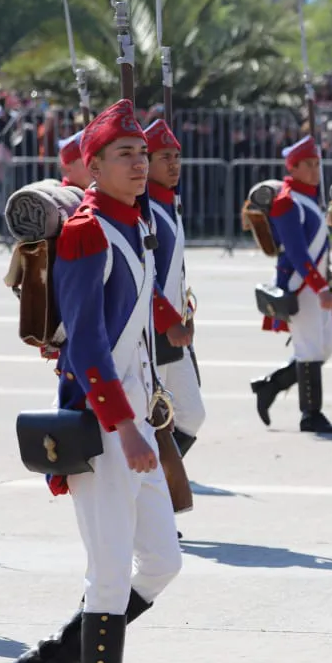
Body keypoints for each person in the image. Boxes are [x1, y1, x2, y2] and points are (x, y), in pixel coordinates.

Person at [7, 99, 189, 663]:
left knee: (162, 562)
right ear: (91, 165)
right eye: (125, 155)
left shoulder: (133, 221)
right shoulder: (86, 230)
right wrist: (125, 427)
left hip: (136, 414)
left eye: (143, 154)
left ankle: (52, 661)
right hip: (102, 419)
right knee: (109, 573)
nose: (140, 164)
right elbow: (83, 344)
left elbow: (132, 312)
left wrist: (168, 318)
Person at [250, 135, 332, 434]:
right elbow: (297, 252)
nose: (316, 170)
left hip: (315, 284)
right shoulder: (287, 202)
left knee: (324, 347)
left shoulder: (308, 198)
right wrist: (320, 287)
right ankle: (311, 415)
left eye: (317, 163)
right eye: (309, 165)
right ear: (293, 167)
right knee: (310, 350)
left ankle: (271, 386)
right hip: (301, 286)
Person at [145, 119, 204, 457]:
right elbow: (145, 275)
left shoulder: (169, 202)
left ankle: (161, 481)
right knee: (152, 416)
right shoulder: (146, 208)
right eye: (164, 157)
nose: (173, 164)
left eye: (176, 156)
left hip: (172, 327)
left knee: (191, 415)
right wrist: (168, 319)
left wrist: (187, 312)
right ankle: (151, 488)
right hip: (154, 331)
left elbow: (175, 273)